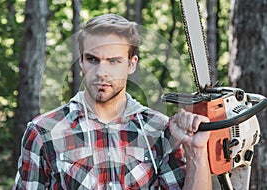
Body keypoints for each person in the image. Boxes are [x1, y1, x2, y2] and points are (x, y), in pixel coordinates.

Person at [13, 14, 212, 189]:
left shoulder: (159, 129)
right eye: (92, 60)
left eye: (114, 61)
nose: (101, 73)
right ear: (81, 61)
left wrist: (196, 152)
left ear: (131, 64)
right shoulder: (43, 131)